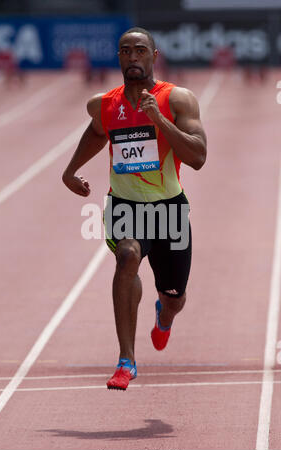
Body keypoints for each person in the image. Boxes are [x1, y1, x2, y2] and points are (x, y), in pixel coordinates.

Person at [62, 27, 207, 391]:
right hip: (126, 206)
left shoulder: (178, 100)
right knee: (126, 256)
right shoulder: (105, 104)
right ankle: (126, 360)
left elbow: (198, 157)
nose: (132, 57)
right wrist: (70, 170)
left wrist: (159, 121)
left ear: (154, 56)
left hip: (170, 211)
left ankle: (164, 316)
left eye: (140, 50)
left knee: (174, 297)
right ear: (119, 57)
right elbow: (98, 132)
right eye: (125, 51)